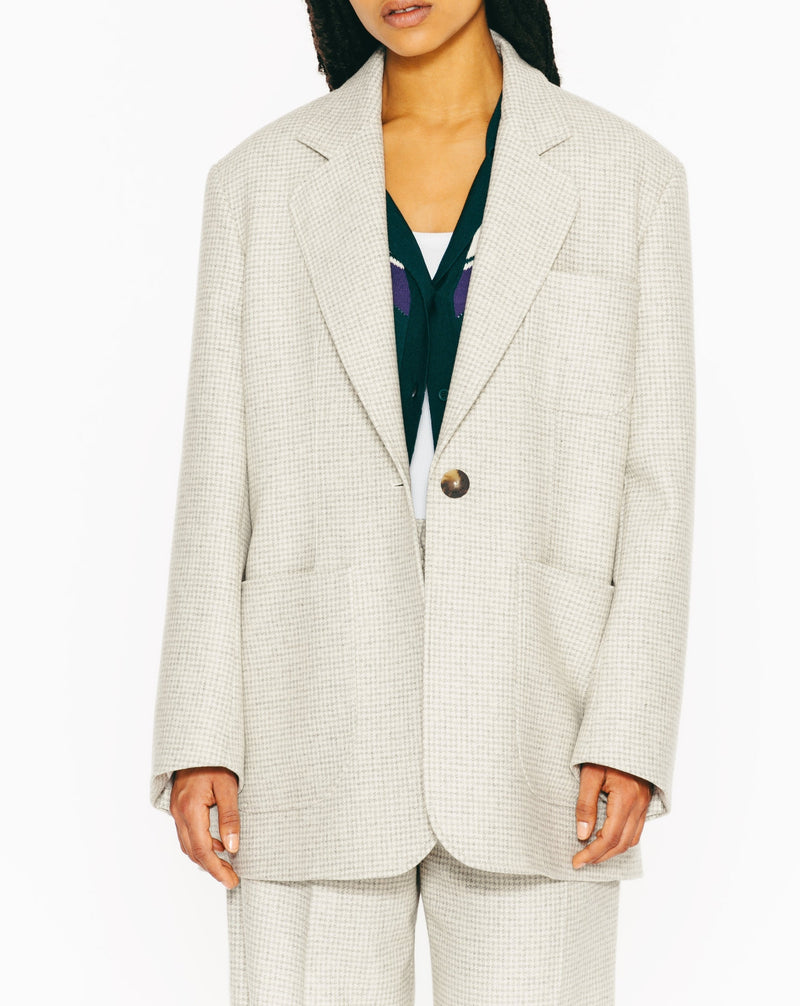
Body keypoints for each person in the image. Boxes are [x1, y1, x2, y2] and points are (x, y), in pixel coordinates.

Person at [149, 1, 695, 1002]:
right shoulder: (259, 183)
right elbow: (215, 471)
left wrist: (629, 730)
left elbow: (655, 485)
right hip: (305, 714)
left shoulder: (628, 179)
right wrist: (199, 735)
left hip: (542, 723)